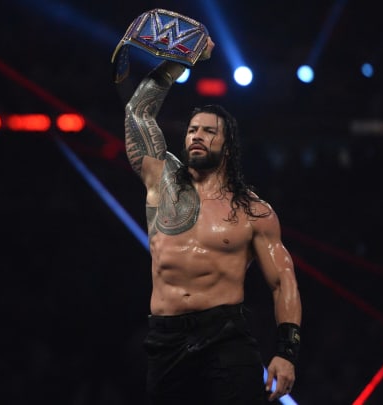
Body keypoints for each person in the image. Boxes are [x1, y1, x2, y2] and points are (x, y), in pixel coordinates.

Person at [123, 36, 302, 404]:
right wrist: (177, 62)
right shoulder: (161, 181)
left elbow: (283, 281)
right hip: (166, 338)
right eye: (192, 130)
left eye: (208, 131)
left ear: (227, 145)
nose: (196, 137)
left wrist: (287, 352)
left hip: (226, 338)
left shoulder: (254, 211)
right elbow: (137, 114)